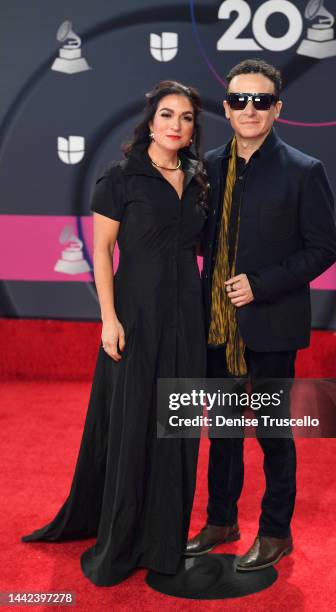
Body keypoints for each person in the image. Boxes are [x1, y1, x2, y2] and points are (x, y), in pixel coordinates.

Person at [21, 80, 208, 586]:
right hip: (134, 315)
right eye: (167, 115)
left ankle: (163, 538)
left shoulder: (198, 177)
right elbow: (101, 251)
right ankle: (123, 540)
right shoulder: (121, 177)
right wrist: (108, 317)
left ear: (193, 129)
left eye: (186, 117)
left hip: (188, 318)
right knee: (130, 422)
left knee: (179, 424)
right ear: (150, 122)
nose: (176, 124)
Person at [185, 59, 336, 570]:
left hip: (272, 323)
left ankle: (276, 532)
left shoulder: (303, 170)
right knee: (222, 430)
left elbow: (322, 249)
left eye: (260, 100)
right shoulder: (205, 165)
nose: (249, 108)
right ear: (226, 108)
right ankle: (220, 520)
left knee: (272, 432)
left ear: (277, 108)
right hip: (215, 325)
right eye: (238, 100)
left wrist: (261, 284)